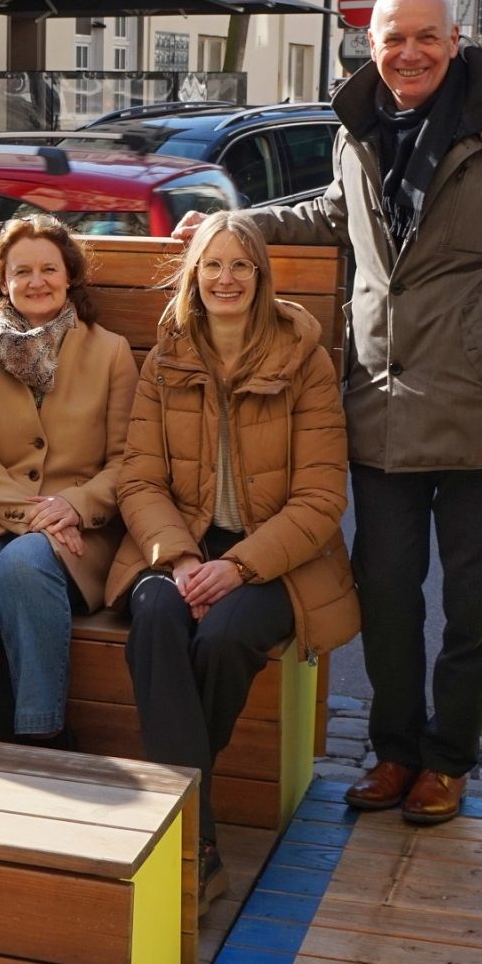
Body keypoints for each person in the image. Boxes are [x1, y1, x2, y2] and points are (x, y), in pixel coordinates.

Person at [173, 0, 482, 825]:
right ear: (372, 42)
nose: (410, 54)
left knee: (476, 600)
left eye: (427, 37)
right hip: (380, 396)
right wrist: (234, 229)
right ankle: (395, 750)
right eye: (394, 39)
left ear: (457, 40)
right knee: (386, 588)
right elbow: (333, 216)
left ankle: (450, 758)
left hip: (478, 401)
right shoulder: (358, 126)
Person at [112, 212, 358, 909]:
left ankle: (184, 832)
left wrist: (238, 567)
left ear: (260, 275)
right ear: (194, 275)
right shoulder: (166, 357)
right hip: (181, 546)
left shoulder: (304, 359)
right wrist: (182, 557)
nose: (226, 279)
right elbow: (139, 479)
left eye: (240, 266)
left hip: (278, 557)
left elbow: (319, 498)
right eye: (212, 265)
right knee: (157, 612)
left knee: (222, 636)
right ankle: (203, 842)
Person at [0, 216, 138, 745]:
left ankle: (39, 733)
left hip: (79, 530)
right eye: (22, 272)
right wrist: (33, 514)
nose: (37, 281)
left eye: (48, 269)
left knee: (23, 562)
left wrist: (74, 507)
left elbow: (128, 461)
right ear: (2, 282)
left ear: (69, 277)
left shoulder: (111, 353)